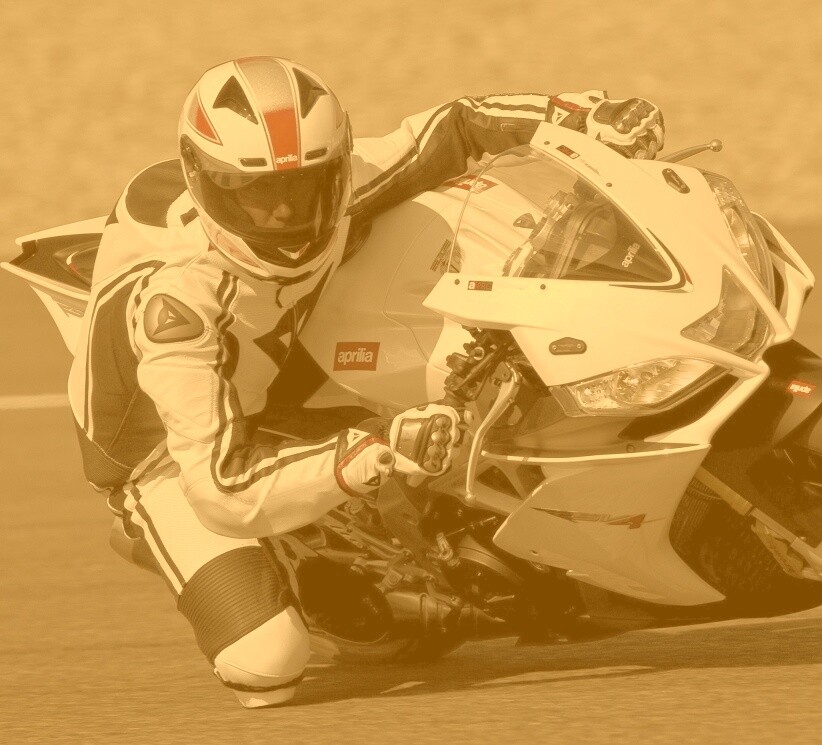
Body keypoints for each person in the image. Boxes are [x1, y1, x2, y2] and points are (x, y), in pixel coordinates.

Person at [66, 56, 665, 708]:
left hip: (280, 363)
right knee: (265, 665)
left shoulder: (342, 185)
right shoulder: (178, 305)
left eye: (306, 186)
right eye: (253, 193)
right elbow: (221, 489)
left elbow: (457, 126)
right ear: (203, 180)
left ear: (336, 165)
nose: (283, 214)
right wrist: (370, 451)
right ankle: (271, 561)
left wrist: (583, 115)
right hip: (170, 452)